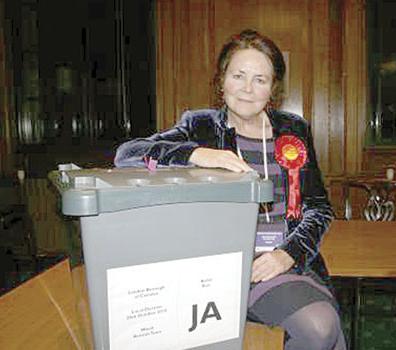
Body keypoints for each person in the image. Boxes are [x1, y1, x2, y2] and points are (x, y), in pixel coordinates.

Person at [115, 29, 346, 350]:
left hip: (281, 263)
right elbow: (126, 155)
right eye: (239, 76)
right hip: (218, 268)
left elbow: (319, 208)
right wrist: (197, 154)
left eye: (260, 80)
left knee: (320, 326)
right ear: (221, 81)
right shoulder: (201, 126)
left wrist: (287, 254)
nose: (248, 89)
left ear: (273, 88)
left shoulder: (294, 129)